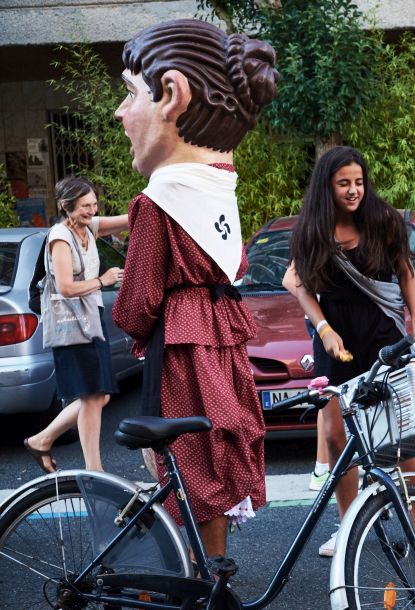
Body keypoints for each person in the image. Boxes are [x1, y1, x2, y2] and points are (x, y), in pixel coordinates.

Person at [111, 18, 278, 558]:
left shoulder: (158, 202)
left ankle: (201, 570)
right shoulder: (220, 190)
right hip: (223, 340)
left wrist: (132, 327)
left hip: (182, 346)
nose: (120, 113)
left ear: (170, 95)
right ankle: (216, 565)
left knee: (189, 457)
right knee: (219, 450)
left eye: (128, 94)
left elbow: (137, 302)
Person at [283, 146, 415, 559]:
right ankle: (348, 524)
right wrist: (323, 328)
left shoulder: (383, 219)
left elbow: (406, 272)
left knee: (403, 433)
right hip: (335, 335)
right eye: (343, 184)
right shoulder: (312, 230)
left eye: (358, 181)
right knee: (337, 437)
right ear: (327, 187)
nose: (354, 190)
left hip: (382, 333)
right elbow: (297, 283)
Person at [24, 176, 127, 473]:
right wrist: (102, 281)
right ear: (67, 206)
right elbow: (66, 287)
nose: (92, 211)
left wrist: (159, 196)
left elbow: (126, 220)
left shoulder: (87, 227)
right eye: (84, 206)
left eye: (94, 204)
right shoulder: (60, 236)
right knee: (92, 396)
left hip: (90, 320)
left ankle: (41, 439)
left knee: (101, 395)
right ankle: (95, 469)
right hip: (71, 323)